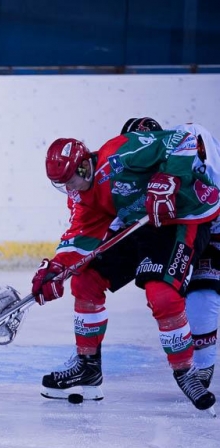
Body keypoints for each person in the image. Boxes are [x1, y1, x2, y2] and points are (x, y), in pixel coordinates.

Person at [33, 129, 219, 413]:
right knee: (86, 279)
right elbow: (80, 237)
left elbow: (184, 140)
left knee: (162, 294)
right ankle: (88, 366)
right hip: (141, 224)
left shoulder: (120, 154)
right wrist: (57, 269)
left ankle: (186, 372)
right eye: (62, 185)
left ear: (84, 165)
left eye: (70, 180)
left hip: (183, 217)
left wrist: (169, 178)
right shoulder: (84, 195)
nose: (69, 189)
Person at [121, 117, 220, 391]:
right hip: (188, 228)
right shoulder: (130, 168)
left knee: (203, 294)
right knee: (182, 294)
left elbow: (194, 141)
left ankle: (202, 367)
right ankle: (200, 367)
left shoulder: (191, 144)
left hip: (214, 223)